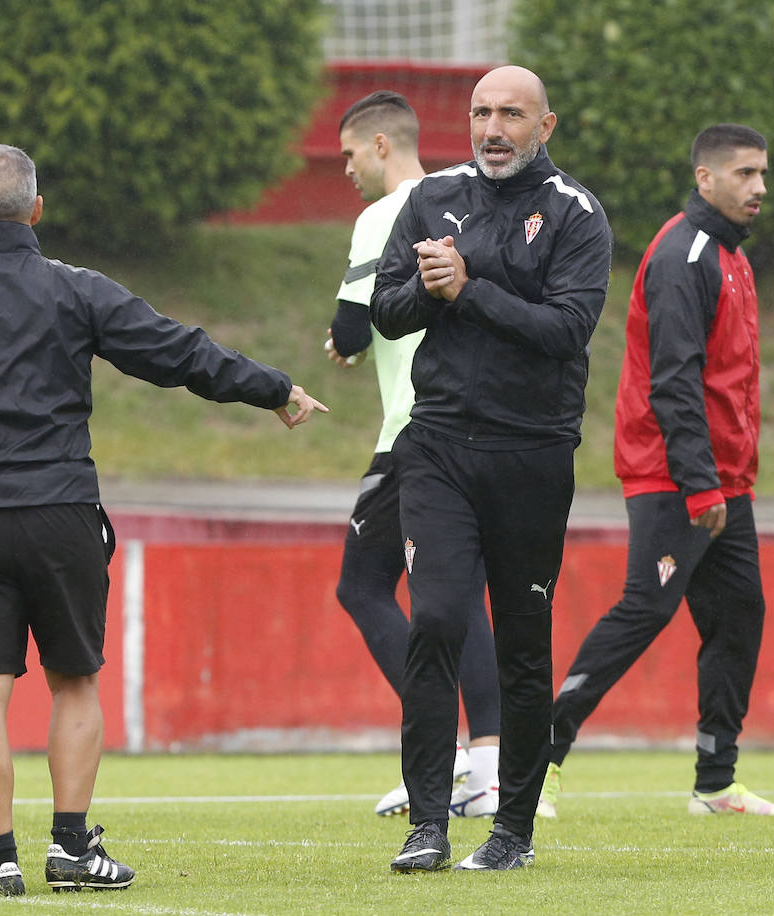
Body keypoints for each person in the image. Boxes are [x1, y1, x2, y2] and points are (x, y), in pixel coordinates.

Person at [0, 144, 326, 895]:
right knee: (74, 683)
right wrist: (271, 388)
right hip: (62, 513)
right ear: (37, 211)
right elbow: (177, 353)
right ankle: (72, 849)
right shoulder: (77, 291)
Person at [370, 65, 612, 872]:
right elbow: (388, 309)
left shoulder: (577, 214)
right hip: (436, 444)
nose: (492, 128)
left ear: (547, 125)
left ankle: (511, 833)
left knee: (522, 641)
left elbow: (565, 330)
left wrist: (467, 289)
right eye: (480, 112)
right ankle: (428, 825)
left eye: (511, 113)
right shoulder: (433, 198)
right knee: (435, 617)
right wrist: (432, 290)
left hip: (533, 453)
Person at [537, 124, 774, 819]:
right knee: (643, 611)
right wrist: (701, 483)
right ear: (706, 179)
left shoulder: (733, 258)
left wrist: (727, 480)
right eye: (745, 174)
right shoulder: (685, 255)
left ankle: (716, 782)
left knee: (739, 615)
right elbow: (674, 384)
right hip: (677, 478)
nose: (760, 187)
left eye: (763, 174)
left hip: (724, 482)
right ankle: (536, 764)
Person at [326, 90, 501, 820]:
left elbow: (352, 326)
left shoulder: (385, 214)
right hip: (485, 431)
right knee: (460, 598)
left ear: (381, 147)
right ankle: (489, 770)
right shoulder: (467, 200)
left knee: (361, 588)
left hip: (410, 435)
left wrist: (342, 338)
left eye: (348, 155)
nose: (344, 171)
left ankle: (444, 754)